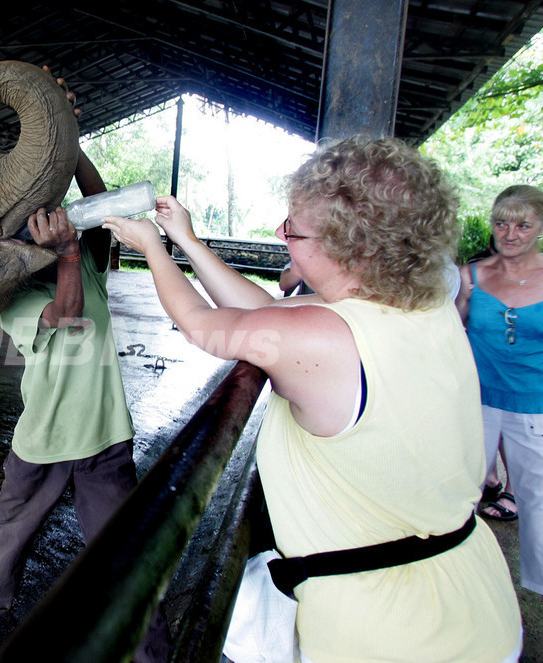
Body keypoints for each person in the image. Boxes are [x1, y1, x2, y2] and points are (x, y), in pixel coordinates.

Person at [104, 136, 522, 662]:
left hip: (390, 635)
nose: (281, 234)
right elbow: (264, 311)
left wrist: (151, 250)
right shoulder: (422, 305)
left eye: (294, 230)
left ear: (355, 248)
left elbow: (203, 326)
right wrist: (184, 238)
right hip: (474, 600)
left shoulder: (325, 338)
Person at [0, 147, 170, 663]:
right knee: (8, 535)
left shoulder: (87, 260)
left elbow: (106, 203)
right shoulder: (9, 296)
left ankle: (152, 653)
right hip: (44, 440)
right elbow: (66, 315)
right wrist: (62, 252)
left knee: (127, 555)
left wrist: (72, 145)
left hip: (105, 436)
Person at [455, 184, 543, 592]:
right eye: (501, 223)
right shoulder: (470, 277)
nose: (510, 233)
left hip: (536, 408)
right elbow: (448, 337)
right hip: (476, 403)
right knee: (459, 494)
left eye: (523, 225)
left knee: (538, 505)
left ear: (539, 227)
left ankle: (538, 588)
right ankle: (460, 583)